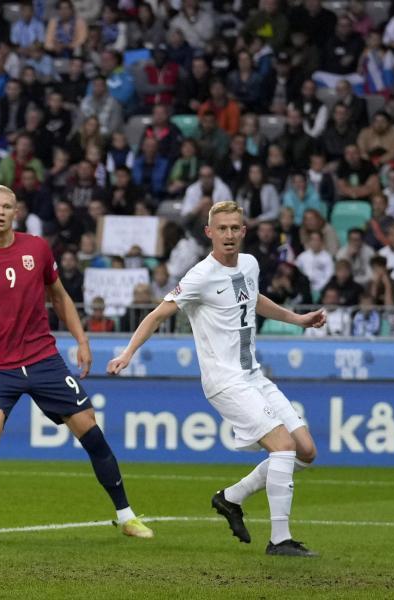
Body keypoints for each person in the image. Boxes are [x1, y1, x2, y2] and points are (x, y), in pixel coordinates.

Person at [0, 185, 152, 538]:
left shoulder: (37, 248)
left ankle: (126, 515)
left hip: (43, 358)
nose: (0, 211)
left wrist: (82, 340)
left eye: (7, 206)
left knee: (89, 426)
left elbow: (59, 296)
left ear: (16, 212)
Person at [107, 201, 325, 557]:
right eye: (221, 229)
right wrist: (128, 353)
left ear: (244, 231)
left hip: (254, 375)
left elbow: (253, 299)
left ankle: (230, 498)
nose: (228, 235)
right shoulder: (200, 276)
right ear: (209, 233)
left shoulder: (251, 264)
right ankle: (280, 540)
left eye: (234, 228)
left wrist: (298, 319)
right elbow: (157, 314)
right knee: (283, 446)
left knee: (306, 450)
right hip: (226, 381)